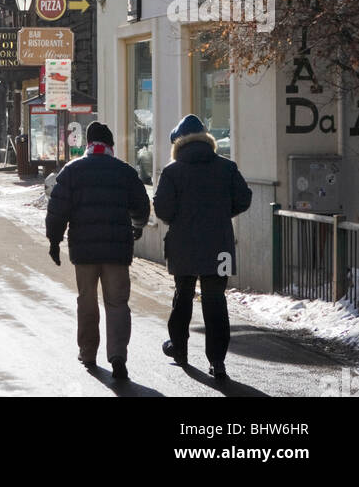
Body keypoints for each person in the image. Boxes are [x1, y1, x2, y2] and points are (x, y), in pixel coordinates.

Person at [46, 121, 150, 380]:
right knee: (117, 303)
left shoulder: (73, 171)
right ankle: (117, 355)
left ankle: (88, 352)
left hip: (84, 251)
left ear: (88, 145)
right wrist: (136, 227)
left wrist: (54, 241)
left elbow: (57, 210)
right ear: (110, 145)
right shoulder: (124, 171)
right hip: (117, 252)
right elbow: (142, 206)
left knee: (87, 301)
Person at [154, 113, 253, 379]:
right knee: (216, 300)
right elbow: (244, 199)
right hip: (219, 244)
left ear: (179, 143)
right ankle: (217, 362)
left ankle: (180, 349)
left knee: (183, 295)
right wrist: (222, 213)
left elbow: (162, 208)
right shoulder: (227, 167)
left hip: (183, 244)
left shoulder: (172, 171)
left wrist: (179, 217)